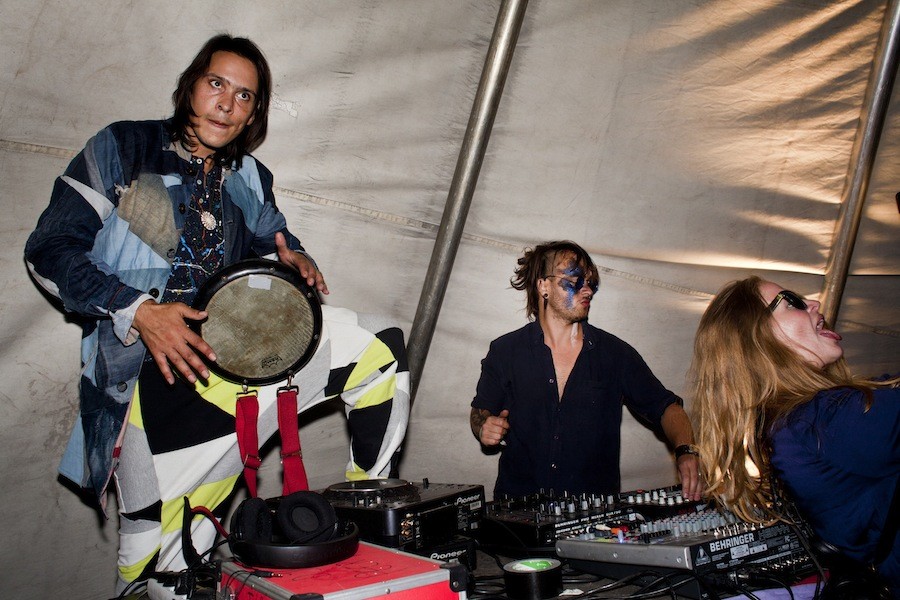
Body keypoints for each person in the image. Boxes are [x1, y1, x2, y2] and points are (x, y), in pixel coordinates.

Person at [25, 35, 409, 591]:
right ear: (191, 86)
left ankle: (374, 520)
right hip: (146, 391)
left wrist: (293, 257)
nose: (227, 104)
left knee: (379, 348)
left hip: (233, 377)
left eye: (244, 96)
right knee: (159, 572)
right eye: (216, 84)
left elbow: (274, 241)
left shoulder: (250, 176)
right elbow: (48, 251)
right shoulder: (122, 146)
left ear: (255, 112)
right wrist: (139, 310)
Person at [691, 276, 898, 595]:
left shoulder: (803, 419)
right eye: (792, 302)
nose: (814, 304)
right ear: (756, 337)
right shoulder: (821, 419)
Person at [469, 240, 701, 500]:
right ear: (543, 286)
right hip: (517, 513)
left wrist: (686, 450)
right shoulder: (505, 351)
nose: (587, 289)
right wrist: (484, 427)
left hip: (594, 512)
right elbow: (480, 410)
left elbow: (666, 407)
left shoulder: (614, 354)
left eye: (590, 282)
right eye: (574, 281)